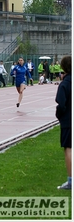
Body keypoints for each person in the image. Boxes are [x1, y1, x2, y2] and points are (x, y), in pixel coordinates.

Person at [55, 55, 71, 190]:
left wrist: (59, 114)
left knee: (69, 148)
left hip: (68, 121)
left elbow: (61, 103)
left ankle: (71, 180)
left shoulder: (65, 84)